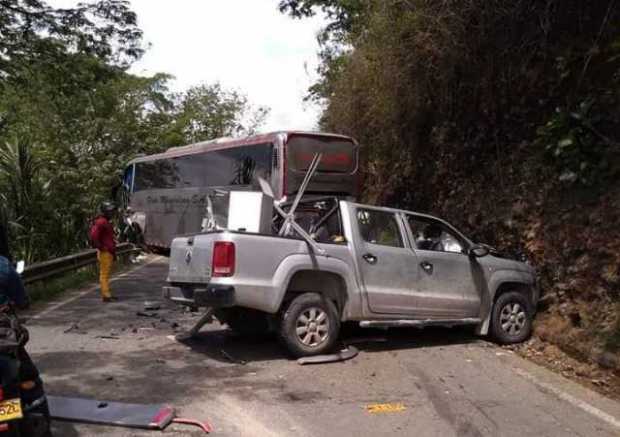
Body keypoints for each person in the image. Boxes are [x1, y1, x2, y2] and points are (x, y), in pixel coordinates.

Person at [91, 201, 118, 302]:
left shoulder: (105, 221)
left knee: (106, 274)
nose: (112, 213)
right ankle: (106, 295)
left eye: (112, 211)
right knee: (104, 274)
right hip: (105, 252)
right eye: (110, 211)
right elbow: (94, 236)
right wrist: (102, 248)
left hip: (108, 252)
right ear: (105, 211)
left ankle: (107, 294)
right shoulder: (101, 222)